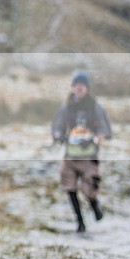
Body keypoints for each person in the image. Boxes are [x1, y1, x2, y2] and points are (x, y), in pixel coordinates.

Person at [51, 71, 112, 233]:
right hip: (70, 155)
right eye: (76, 85)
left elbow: (105, 130)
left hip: (89, 156)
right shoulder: (66, 108)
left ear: (87, 88)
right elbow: (57, 127)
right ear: (72, 88)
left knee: (89, 188)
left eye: (82, 86)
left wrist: (98, 137)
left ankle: (95, 205)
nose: (79, 88)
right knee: (69, 187)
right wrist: (58, 136)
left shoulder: (95, 107)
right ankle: (80, 222)